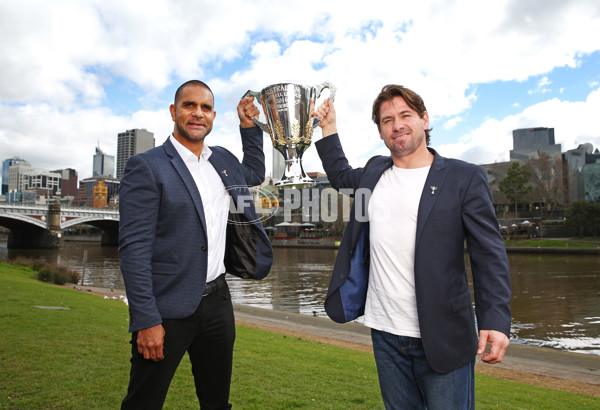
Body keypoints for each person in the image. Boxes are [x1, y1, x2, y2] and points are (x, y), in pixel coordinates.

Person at [313, 85, 511, 409]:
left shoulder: (464, 177)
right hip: (385, 333)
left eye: (405, 115)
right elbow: (339, 175)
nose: (397, 125)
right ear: (380, 131)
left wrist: (496, 320)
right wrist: (328, 126)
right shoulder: (374, 173)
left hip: (444, 334)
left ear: (424, 119)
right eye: (387, 119)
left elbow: (489, 255)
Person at [119, 80, 273, 409]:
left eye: (205, 108)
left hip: (217, 304)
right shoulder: (147, 167)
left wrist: (249, 127)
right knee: (143, 402)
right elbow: (134, 250)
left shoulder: (222, 162)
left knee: (216, 403)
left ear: (214, 116)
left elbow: (256, 173)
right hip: (167, 310)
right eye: (189, 105)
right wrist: (146, 320)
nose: (197, 114)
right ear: (174, 112)